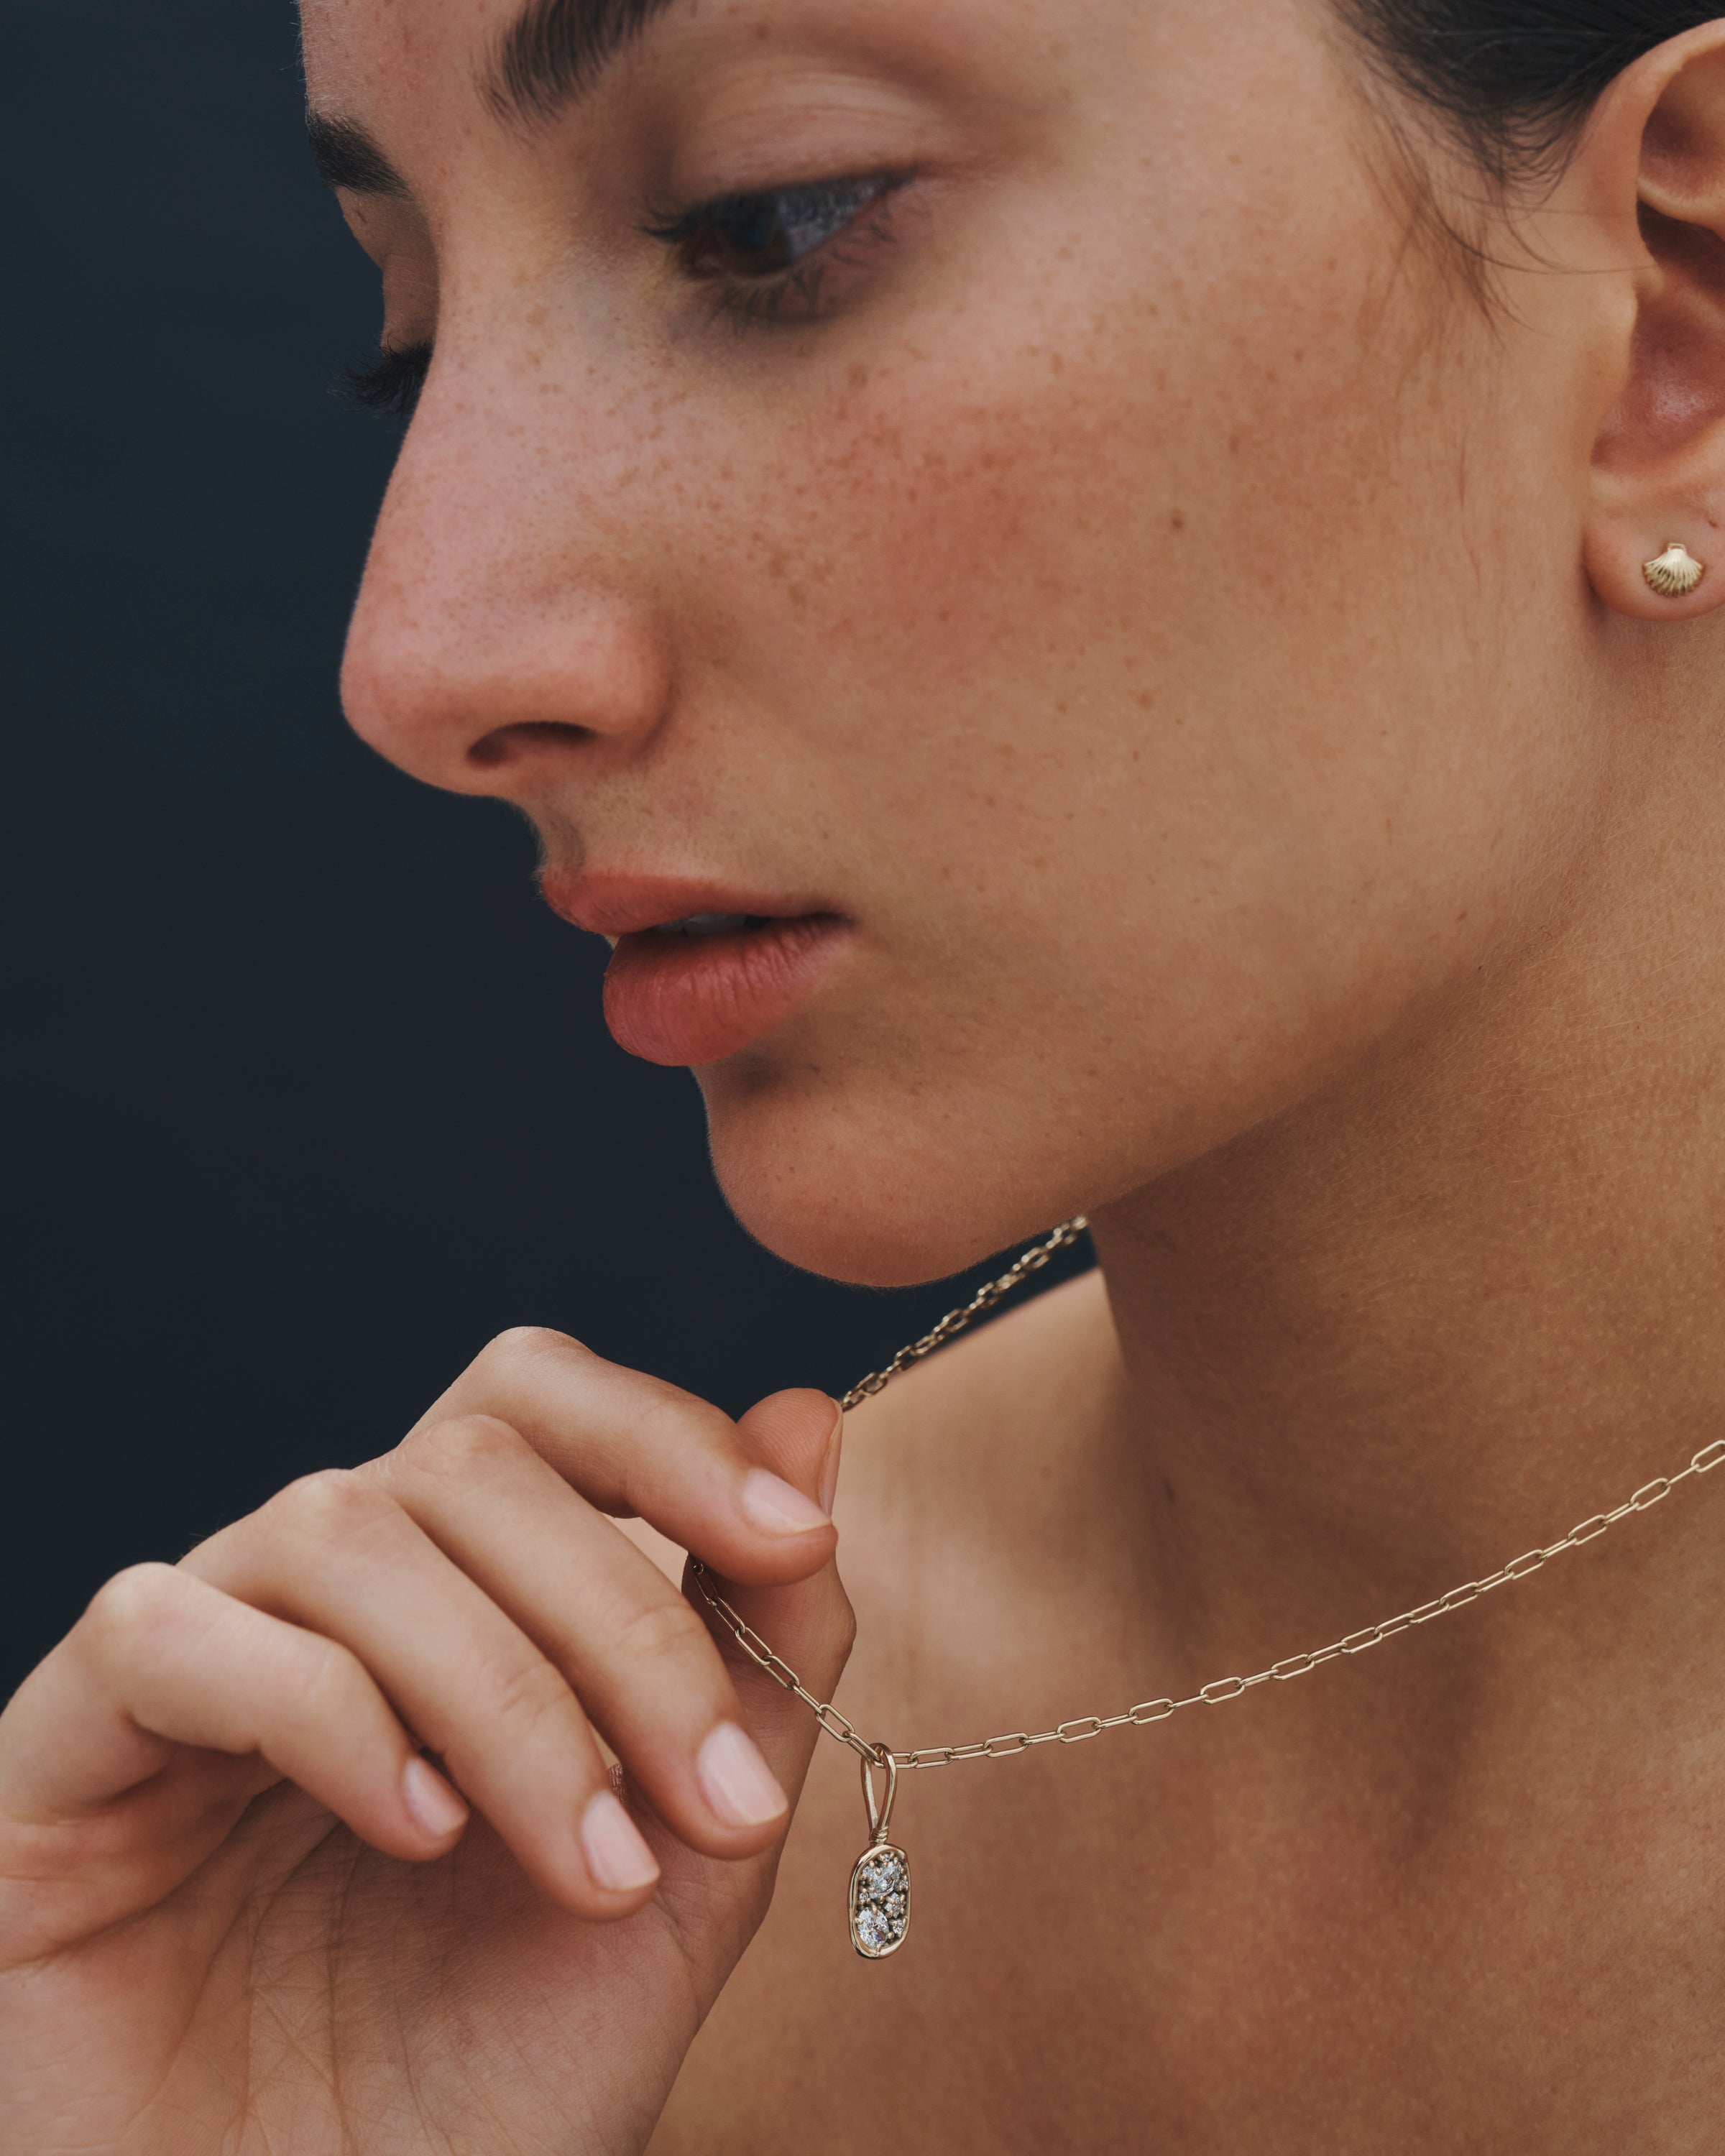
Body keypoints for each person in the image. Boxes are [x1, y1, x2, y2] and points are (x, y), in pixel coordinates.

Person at [6, 0, 1725, 2145]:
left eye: (770, 224)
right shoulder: (565, 1850)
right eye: (406, 335)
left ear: (1676, 308)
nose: (420, 655)